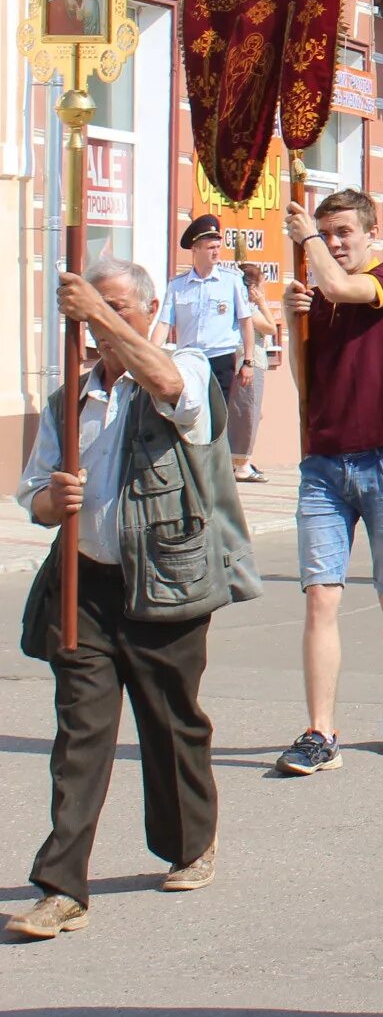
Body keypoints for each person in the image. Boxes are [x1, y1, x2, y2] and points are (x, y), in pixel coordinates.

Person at [8, 259, 258, 940]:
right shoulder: (75, 393)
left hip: (166, 579)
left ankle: (189, 843)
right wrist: (45, 503)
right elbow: (32, 488)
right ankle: (61, 887)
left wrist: (97, 312)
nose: (97, 328)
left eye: (116, 309)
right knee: (81, 734)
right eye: (90, 314)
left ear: (149, 312)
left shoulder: (181, 369)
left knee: (170, 721)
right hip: (84, 583)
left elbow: (171, 385)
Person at [276, 188, 383, 775]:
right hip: (324, 464)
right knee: (320, 597)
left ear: (369, 236)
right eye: (326, 232)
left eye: (343, 233)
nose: (335, 242)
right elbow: (304, 380)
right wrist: (294, 323)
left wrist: (306, 241)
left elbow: (342, 286)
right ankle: (320, 732)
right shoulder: (320, 294)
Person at [160, 214, 279, 484]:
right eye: (211, 246)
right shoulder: (177, 286)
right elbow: (164, 324)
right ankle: (192, 470)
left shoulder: (230, 281)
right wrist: (149, 352)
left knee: (217, 417)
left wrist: (248, 361)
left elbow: (246, 323)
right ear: (196, 249)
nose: (216, 251)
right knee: (190, 414)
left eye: (218, 245)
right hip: (189, 361)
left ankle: (216, 474)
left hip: (221, 360)